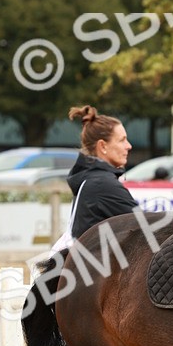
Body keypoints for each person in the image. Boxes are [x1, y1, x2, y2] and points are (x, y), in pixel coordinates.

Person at [53, 105, 137, 251]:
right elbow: (148, 228)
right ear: (103, 146)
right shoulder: (102, 184)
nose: (128, 146)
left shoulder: (91, 177)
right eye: (122, 140)